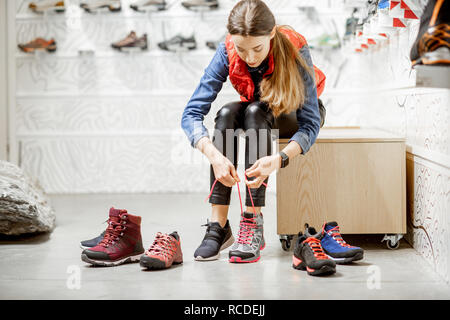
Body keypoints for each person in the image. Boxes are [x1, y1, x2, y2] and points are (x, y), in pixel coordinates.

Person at [181, 0, 325, 263]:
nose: (250, 58)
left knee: (256, 111)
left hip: (293, 115)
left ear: (271, 34)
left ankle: (251, 222)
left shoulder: (294, 46)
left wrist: (280, 159)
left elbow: (310, 123)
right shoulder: (227, 50)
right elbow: (191, 114)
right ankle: (218, 226)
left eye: (257, 48)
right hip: (256, 112)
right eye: (241, 49)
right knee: (226, 113)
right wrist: (214, 156)